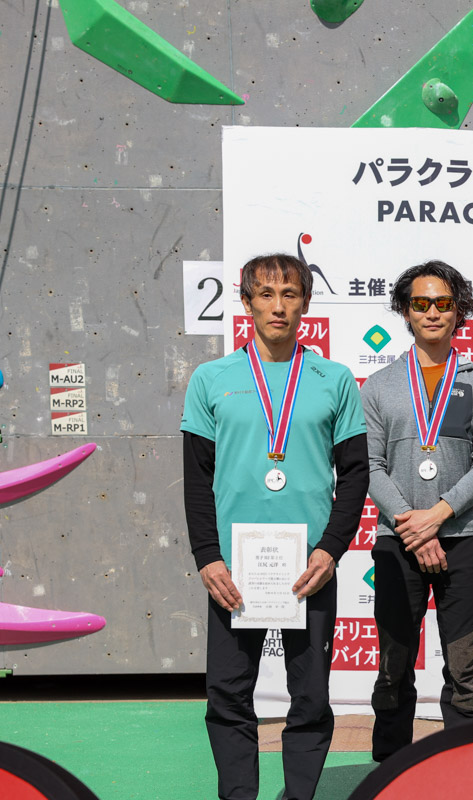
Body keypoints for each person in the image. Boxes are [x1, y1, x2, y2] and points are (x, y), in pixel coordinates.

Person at [182, 253, 368, 800]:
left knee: (309, 697)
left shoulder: (334, 379)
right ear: (246, 303)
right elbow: (196, 478)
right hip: (234, 569)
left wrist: (331, 550)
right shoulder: (211, 378)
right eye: (265, 294)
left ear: (306, 303)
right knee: (227, 694)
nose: (278, 306)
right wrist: (207, 556)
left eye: (290, 294)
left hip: (309, 567)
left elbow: (355, 474)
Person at [361, 260, 473, 762]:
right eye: (420, 303)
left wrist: (438, 516)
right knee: (393, 667)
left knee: (464, 670)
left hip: (463, 539)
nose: (432, 312)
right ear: (405, 310)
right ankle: (389, 773)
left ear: (458, 310)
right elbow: (370, 466)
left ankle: (462, 774)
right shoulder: (379, 385)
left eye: (443, 303)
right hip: (397, 541)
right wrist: (413, 526)